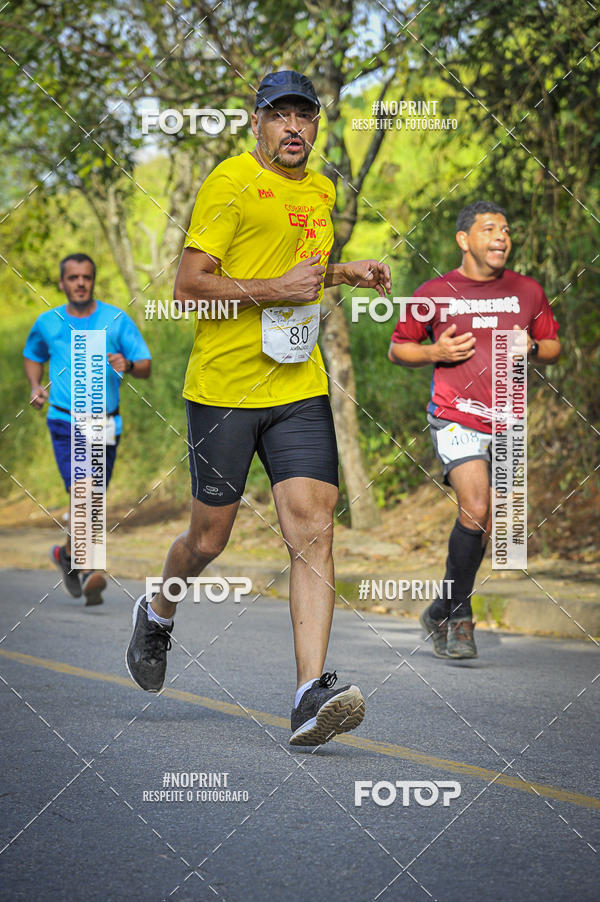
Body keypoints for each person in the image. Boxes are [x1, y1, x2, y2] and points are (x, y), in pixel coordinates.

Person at [126, 70, 391, 746]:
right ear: (257, 123)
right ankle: (159, 611)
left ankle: (309, 694)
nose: (294, 127)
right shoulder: (229, 182)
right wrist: (277, 287)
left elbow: (298, 267)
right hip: (225, 390)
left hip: (297, 386)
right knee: (208, 539)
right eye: (281, 115)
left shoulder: (323, 188)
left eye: (305, 115)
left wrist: (341, 271)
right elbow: (189, 287)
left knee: (313, 527)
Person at [389, 200, 561, 659]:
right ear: (465, 240)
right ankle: (461, 619)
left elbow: (555, 346)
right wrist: (433, 354)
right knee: (476, 502)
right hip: (454, 414)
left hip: (508, 416)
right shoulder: (435, 291)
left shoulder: (527, 291)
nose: (501, 237)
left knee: (483, 522)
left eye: (505, 229)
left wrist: (536, 346)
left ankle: (440, 609)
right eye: (490, 229)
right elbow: (398, 347)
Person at [24, 253, 151, 605]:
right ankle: (92, 566)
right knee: (85, 491)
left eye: (86, 277)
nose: (80, 283)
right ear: (62, 283)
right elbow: (33, 353)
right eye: (73, 277)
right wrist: (36, 386)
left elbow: (145, 365)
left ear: (93, 281)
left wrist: (127, 363)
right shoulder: (48, 322)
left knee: (92, 495)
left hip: (105, 422)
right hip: (65, 419)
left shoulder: (116, 319)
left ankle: (66, 555)